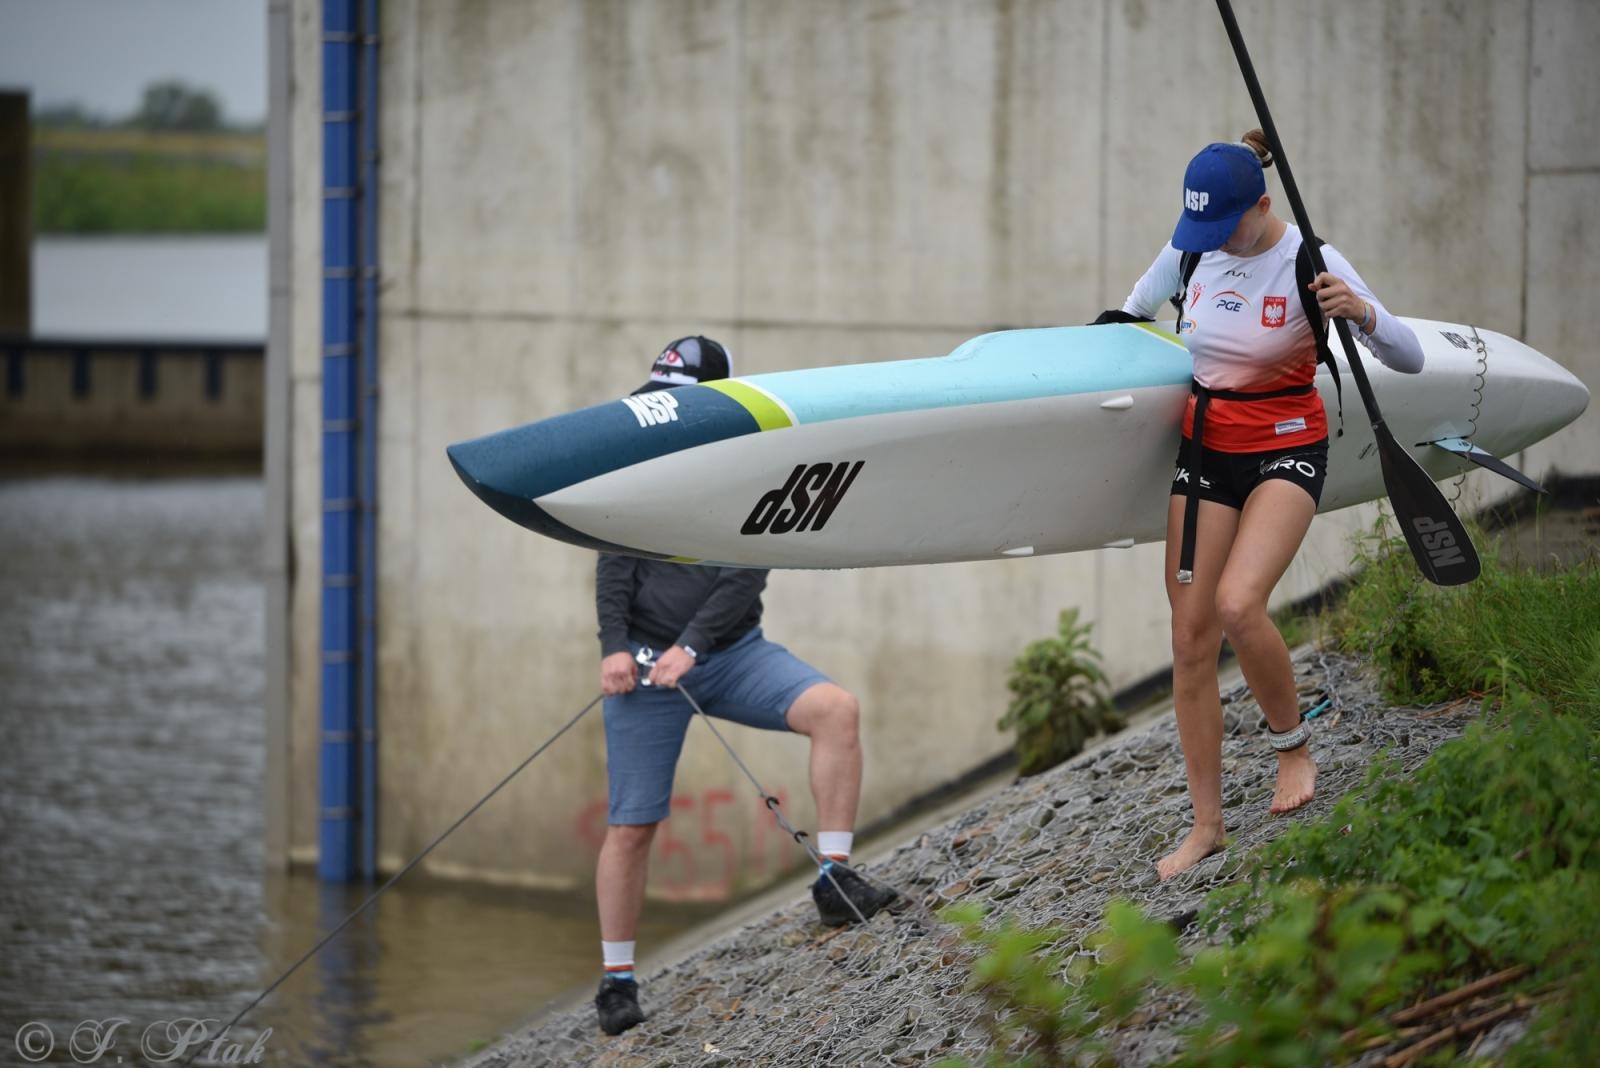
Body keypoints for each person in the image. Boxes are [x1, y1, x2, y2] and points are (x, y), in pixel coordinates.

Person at [1102, 131, 1425, 881]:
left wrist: (1363, 315)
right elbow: (1129, 315)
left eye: (1225, 228)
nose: (1211, 244)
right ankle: (1207, 826)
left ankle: (1293, 748)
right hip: (1206, 448)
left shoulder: (1310, 259)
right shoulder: (1192, 251)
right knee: (1190, 636)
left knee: (1241, 605)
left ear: (1263, 205)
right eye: (1200, 231)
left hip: (1286, 442)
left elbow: (1404, 354)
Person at [590, 336, 897, 1036]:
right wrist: (614, 650)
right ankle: (615, 981)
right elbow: (612, 566)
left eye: (682, 401)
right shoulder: (636, 467)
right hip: (644, 668)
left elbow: (744, 573)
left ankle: (834, 879)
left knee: (836, 711)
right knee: (632, 826)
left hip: (728, 653)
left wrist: (691, 648)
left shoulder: (751, 468)